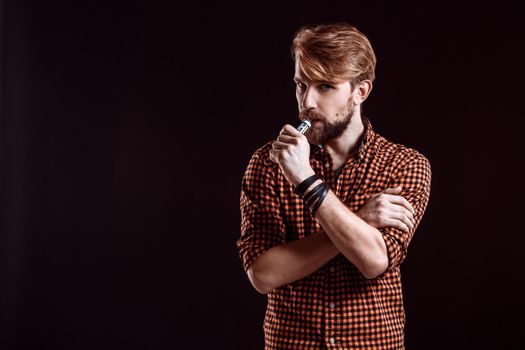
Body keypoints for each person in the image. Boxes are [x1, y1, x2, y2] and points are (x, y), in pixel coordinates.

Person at [236, 22, 431, 349]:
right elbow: (263, 274)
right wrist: (360, 220)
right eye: (301, 84)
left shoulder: (405, 164)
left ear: (361, 91)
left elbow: (373, 262)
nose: (307, 101)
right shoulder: (269, 163)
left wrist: (305, 180)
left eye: (325, 86)